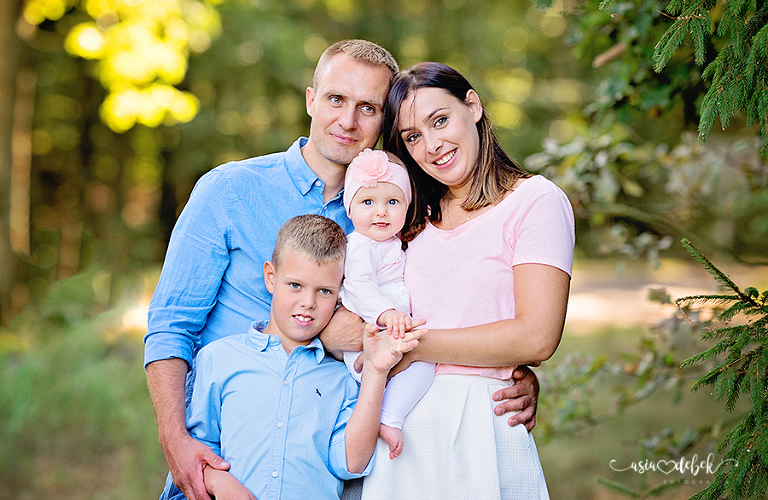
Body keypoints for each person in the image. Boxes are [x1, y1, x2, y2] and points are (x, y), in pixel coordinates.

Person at [144, 40, 539, 500]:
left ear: (383, 121)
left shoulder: (397, 215)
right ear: (311, 99)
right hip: (230, 469)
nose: (348, 121)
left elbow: (449, 308)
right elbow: (171, 327)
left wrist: (513, 374)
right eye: (336, 99)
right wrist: (176, 440)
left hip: (339, 477)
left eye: (368, 108)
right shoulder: (229, 191)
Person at [356, 62, 576, 500]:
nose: (433, 145)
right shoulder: (408, 216)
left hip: (480, 423)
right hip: (397, 428)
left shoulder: (535, 202)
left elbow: (536, 337)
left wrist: (410, 348)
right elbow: (356, 299)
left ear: (472, 105)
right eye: (413, 137)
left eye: (440, 120)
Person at [185, 215, 426, 500]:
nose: (308, 303)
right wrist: (217, 480)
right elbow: (201, 446)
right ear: (271, 277)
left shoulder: (342, 377)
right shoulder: (220, 358)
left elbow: (352, 463)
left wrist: (374, 371)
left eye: (324, 291)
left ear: (340, 295)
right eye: (295, 285)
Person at [339, 149, 435, 459]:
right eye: (368, 202)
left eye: (392, 202)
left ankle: (386, 414)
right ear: (350, 209)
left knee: (423, 366)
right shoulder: (359, 245)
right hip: (369, 336)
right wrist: (386, 313)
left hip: (391, 331)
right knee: (423, 366)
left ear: (407, 207)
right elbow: (358, 285)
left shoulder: (395, 242)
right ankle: (388, 419)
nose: (381, 212)